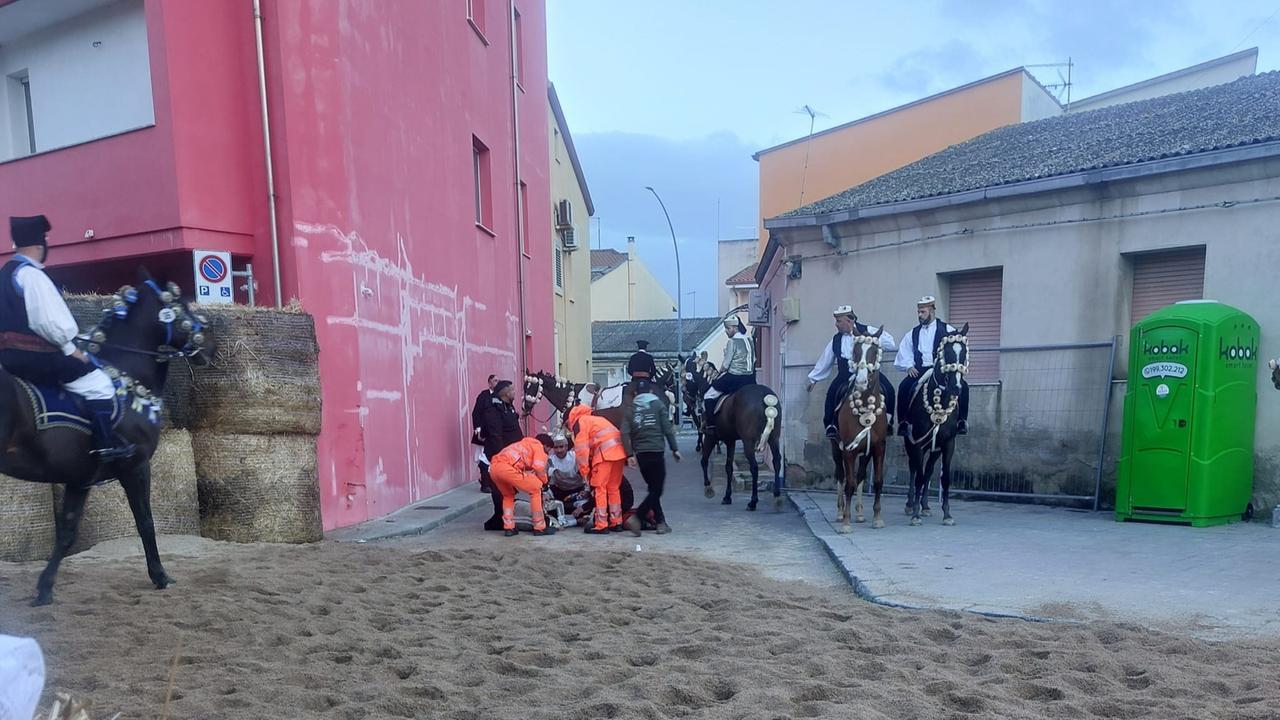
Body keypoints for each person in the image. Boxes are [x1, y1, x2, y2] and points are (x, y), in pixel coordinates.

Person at [0, 216, 133, 461]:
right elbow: (48, 321)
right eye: (46, 240)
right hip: (34, 357)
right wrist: (70, 347)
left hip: (7, 357)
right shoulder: (32, 275)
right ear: (40, 245)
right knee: (98, 381)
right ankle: (104, 445)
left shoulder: (5, 274)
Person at [806, 305, 897, 440]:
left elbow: (891, 344)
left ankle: (888, 421)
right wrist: (813, 379)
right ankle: (831, 425)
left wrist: (873, 340)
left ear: (849, 321)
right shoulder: (836, 340)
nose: (836, 324)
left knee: (889, 389)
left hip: (869, 374)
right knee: (832, 393)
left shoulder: (868, 330)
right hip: (845, 374)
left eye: (839, 321)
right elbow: (825, 360)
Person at [894, 295, 969, 436]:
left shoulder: (947, 329)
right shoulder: (913, 333)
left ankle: (961, 421)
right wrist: (909, 366)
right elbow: (905, 350)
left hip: (941, 370)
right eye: (919, 312)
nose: (920, 315)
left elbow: (956, 346)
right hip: (920, 370)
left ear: (932, 311)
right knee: (904, 387)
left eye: (923, 312)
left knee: (963, 387)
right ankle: (903, 422)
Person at [621, 379, 680, 536]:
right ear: (651, 391)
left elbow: (624, 432)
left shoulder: (631, 409)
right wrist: (674, 449)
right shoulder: (658, 405)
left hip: (641, 455)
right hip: (656, 451)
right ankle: (638, 517)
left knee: (653, 488)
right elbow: (667, 429)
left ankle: (661, 522)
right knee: (657, 489)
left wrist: (629, 455)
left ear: (635, 394)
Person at [567, 404, 627, 534]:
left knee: (600, 488)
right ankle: (616, 522)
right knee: (613, 488)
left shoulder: (580, 423)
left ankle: (601, 524)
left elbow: (582, 451)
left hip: (605, 454)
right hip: (619, 453)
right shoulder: (597, 419)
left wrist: (585, 473)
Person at [489, 433, 556, 537]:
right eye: (549, 450)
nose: (547, 453)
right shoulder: (539, 447)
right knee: (535, 489)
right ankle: (539, 527)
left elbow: (524, 465)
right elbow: (539, 467)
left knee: (508, 496)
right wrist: (544, 482)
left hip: (494, 468)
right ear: (546, 446)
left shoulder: (522, 444)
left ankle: (509, 527)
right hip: (507, 468)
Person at [480, 380, 524, 530]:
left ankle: (505, 517)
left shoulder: (507, 407)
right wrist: (502, 457)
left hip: (511, 457)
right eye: (512, 390)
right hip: (499, 458)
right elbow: (495, 435)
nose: (514, 393)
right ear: (505, 393)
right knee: (500, 490)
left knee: (508, 489)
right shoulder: (493, 410)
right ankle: (500, 518)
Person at [701, 315, 755, 434]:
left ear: (734, 328)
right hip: (750, 379)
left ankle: (710, 426)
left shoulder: (732, 342)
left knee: (708, 395)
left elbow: (725, 365)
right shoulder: (750, 340)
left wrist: (718, 373)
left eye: (728, 328)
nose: (726, 331)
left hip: (734, 378)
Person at [472, 373, 498, 492]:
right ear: (489, 383)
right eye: (495, 381)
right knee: (483, 457)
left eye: (498, 380)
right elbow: (476, 412)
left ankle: (489, 481)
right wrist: (478, 429)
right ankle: (485, 483)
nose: (497, 383)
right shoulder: (483, 396)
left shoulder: (500, 396)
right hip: (483, 432)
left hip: (495, 433)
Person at [546, 433, 584, 503]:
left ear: (566, 446)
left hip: (578, 490)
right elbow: (550, 482)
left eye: (561, 447)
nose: (559, 450)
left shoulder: (575, 456)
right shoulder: (551, 460)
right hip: (560, 492)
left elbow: (585, 475)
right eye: (556, 447)